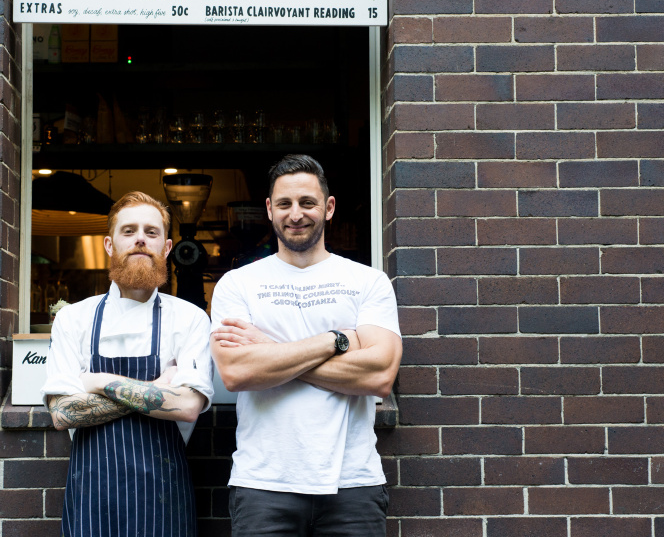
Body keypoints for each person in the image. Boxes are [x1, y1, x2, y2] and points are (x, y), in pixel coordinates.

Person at [210, 154, 402, 536]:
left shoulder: (368, 281)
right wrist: (336, 340)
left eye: (307, 202)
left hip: (353, 484)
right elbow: (237, 372)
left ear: (328, 208)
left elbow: (380, 375)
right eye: (284, 204)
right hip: (264, 485)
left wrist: (269, 349)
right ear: (270, 209)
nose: (295, 214)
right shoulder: (237, 284)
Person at [41, 191, 213, 537]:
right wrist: (158, 390)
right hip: (93, 497)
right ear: (109, 244)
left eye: (151, 232)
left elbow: (188, 407)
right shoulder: (74, 319)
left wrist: (97, 381)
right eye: (129, 231)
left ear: (167, 247)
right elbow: (63, 413)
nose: (140, 239)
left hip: (163, 498)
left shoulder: (189, 318)